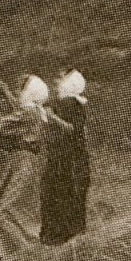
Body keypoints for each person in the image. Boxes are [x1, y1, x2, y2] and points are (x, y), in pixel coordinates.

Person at [0, 73, 51, 256]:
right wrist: (2, 88)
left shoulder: (29, 114)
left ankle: (24, 252)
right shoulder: (38, 112)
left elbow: (1, 125)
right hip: (24, 162)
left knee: (3, 210)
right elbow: (16, 107)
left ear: (29, 93)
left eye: (20, 90)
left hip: (23, 163)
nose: (17, 93)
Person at [40, 69, 92, 247]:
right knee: (66, 196)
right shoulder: (72, 103)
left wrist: (52, 117)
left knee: (63, 195)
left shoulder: (71, 103)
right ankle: (67, 235)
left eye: (62, 79)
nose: (57, 82)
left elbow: (72, 129)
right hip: (70, 158)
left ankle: (60, 237)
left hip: (69, 160)